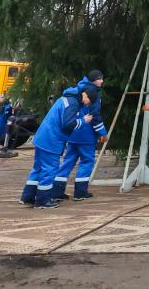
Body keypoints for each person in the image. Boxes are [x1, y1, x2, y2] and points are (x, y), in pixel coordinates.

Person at [21, 81, 94, 209]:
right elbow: (67, 124)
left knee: (38, 168)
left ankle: (28, 196)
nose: (88, 103)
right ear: (84, 95)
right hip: (51, 140)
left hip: (43, 137)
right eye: (90, 99)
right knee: (49, 169)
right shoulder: (73, 103)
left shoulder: (67, 98)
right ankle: (43, 201)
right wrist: (83, 120)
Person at [54, 75, 108, 201]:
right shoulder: (93, 93)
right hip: (86, 135)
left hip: (73, 134)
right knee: (87, 161)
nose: (102, 81)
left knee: (67, 162)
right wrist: (102, 133)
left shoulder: (76, 90)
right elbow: (95, 115)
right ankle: (80, 192)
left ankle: (57, 190)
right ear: (94, 80)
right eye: (99, 78)